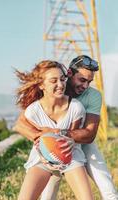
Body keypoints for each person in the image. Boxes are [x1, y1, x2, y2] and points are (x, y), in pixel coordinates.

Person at [14, 55, 118, 200]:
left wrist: (57, 133)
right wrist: (42, 140)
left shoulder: (85, 100)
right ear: (69, 74)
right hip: (50, 148)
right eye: (82, 80)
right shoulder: (45, 96)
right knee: (48, 195)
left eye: (89, 81)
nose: (86, 86)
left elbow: (89, 134)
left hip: (79, 142)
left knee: (106, 184)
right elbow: (20, 124)